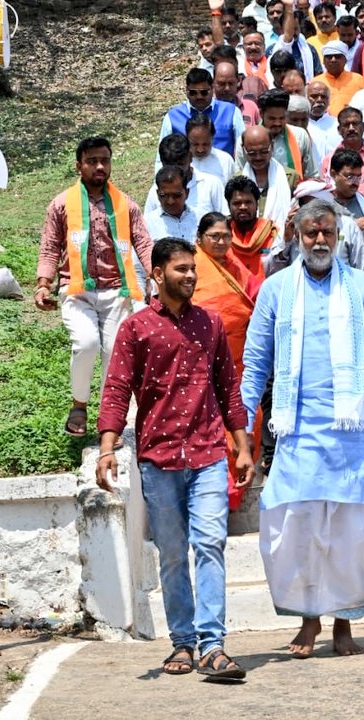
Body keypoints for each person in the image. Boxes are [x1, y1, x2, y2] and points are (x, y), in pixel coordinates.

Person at [240, 201, 364, 657]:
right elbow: (255, 361)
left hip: (354, 434)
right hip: (298, 432)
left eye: (327, 232)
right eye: (310, 233)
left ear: (339, 235)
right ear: (296, 235)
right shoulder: (275, 291)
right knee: (296, 528)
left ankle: (344, 624)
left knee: (349, 535)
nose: (319, 241)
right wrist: (240, 422)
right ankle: (308, 620)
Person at [96, 237, 254, 680]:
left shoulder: (211, 324)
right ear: (158, 274)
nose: (190, 275)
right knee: (170, 554)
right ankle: (182, 643)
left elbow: (228, 387)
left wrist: (241, 446)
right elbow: (116, 390)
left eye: (192, 269)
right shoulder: (136, 328)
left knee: (209, 544)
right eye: (181, 269)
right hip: (158, 459)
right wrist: (108, 447)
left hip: (206, 454)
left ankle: (213, 644)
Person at [36, 137, 153, 438]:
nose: (100, 167)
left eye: (105, 160)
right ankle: (78, 405)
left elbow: (143, 242)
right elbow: (50, 247)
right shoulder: (61, 204)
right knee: (87, 344)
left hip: (118, 291)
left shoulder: (125, 204)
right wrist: (43, 283)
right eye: (92, 161)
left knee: (115, 353)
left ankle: (108, 416)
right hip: (77, 291)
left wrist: (156, 276)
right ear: (79, 166)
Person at [193, 213, 261, 509]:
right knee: (214, 426)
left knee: (248, 419)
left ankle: (236, 490)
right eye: (214, 237)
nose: (221, 242)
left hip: (240, 361)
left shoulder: (235, 265)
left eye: (225, 236)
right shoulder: (191, 266)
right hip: (202, 362)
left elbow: (256, 294)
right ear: (200, 239)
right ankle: (220, 494)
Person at [266, 180, 364, 273]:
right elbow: (271, 271)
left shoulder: (348, 226)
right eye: (304, 205)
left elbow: (361, 268)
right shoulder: (291, 226)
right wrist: (286, 241)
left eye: (327, 232)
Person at [157, 67, 244, 162]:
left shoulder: (231, 112)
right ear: (186, 90)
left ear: (212, 88)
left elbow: (241, 149)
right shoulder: (172, 117)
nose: (199, 97)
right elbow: (161, 155)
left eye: (204, 92)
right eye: (193, 92)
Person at [236, 90, 317, 181]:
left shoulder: (300, 136)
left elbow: (311, 175)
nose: (277, 123)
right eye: (272, 118)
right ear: (261, 114)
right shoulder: (246, 140)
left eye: (282, 118)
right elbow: (240, 177)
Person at [145, 133, 226, 223]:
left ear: (190, 157)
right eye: (169, 165)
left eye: (180, 165)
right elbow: (147, 226)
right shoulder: (156, 191)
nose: (174, 172)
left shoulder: (211, 185)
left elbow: (225, 219)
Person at [320, 106, 364, 205]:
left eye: (355, 124)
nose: (351, 128)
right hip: (339, 213)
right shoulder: (329, 160)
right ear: (339, 130)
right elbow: (325, 192)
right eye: (346, 125)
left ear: (363, 127)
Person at [237, 124, 296, 234]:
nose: (258, 157)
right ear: (243, 150)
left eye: (264, 151)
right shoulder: (236, 180)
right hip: (245, 244)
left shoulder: (290, 177)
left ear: (272, 146)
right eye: (252, 153)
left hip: (283, 243)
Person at [225, 175, 279, 282]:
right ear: (228, 205)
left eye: (248, 202)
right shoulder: (221, 235)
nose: (243, 207)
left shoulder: (272, 233)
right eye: (237, 203)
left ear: (257, 204)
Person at [329, 148, 364, 240]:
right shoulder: (323, 204)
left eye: (359, 177)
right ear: (333, 174)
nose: (355, 183)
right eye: (350, 177)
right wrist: (352, 227)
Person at [143, 165, 198, 244]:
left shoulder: (200, 218)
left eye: (176, 195)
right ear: (157, 194)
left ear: (187, 193)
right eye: (163, 195)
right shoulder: (147, 224)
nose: (170, 201)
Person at [318, 39, 364, 116]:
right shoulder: (316, 82)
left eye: (337, 56)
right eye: (329, 57)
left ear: (345, 60)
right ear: (323, 61)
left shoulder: (359, 80)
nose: (333, 60)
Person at [186, 113, 235, 187]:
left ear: (212, 138)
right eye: (195, 144)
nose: (200, 150)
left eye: (205, 144)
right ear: (187, 138)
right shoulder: (179, 162)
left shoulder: (225, 161)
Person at [306, 80, 340, 160]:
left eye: (323, 97)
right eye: (314, 96)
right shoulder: (298, 126)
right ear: (305, 98)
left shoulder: (338, 124)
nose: (319, 100)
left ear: (329, 101)